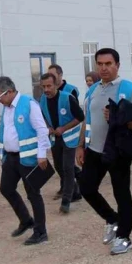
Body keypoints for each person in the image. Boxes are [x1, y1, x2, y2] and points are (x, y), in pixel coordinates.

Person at [76, 48, 132, 255]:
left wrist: (118, 118)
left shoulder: (128, 89)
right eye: (100, 64)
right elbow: (87, 119)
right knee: (86, 188)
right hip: (95, 150)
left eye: (108, 64)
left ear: (117, 65)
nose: (104, 68)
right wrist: (80, 145)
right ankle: (112, 219)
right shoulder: (93, 89)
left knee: (121, 193)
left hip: (118, 150)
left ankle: (124, 236)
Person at [0, 76, 52, 245]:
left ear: (9, 91)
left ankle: (41, 231)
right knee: (6, 188)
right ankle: (26, 220)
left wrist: (42, 154)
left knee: (33, 194)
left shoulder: (29, 104)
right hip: (10, 157)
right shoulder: (7, 107)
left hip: (28, 157)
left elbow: (41, 130)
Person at [39, 72, 84, 213]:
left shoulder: (67, 98)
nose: (46, 89)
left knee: (68, 167)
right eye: (43, 86)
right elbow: (42, 116)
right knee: (59, 166)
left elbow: (80, 117)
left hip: (70, 138)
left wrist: (64, 128)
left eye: (49, 86)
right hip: (54, 139)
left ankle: (66, 201)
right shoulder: (42, 100)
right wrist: (48, 126)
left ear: (56, 85)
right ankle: (75, 191)